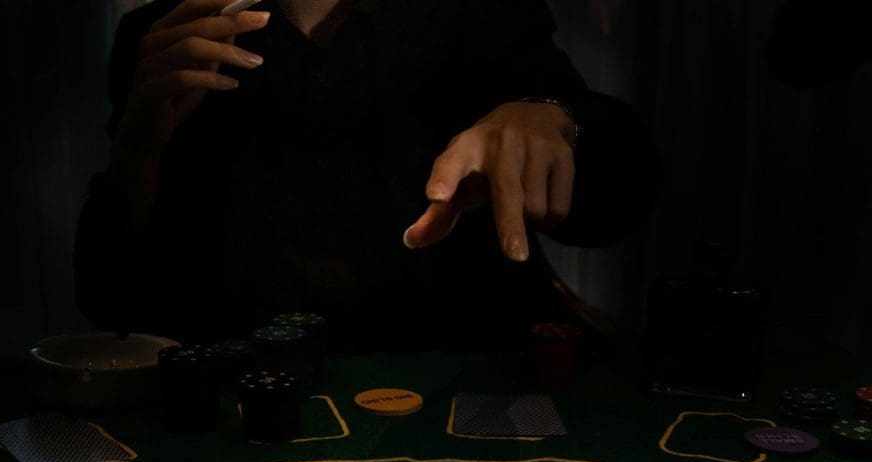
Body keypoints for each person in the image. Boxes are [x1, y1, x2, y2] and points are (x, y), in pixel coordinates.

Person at [75, 0, 659, 351]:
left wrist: (554, 119)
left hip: (463, 385)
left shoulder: (479, 15)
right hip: (243, 407)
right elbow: (114, 304)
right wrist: (137, 151)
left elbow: (619, 200)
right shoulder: (171, 35)